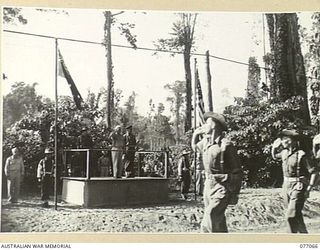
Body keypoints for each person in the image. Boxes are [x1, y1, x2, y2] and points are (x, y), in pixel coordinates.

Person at [192, 111, 242, 233]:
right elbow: (195, 148)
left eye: (206, 123)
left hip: (222, 187)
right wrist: (195, 135)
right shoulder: (205, 143)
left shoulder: (226, 145)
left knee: (210, 216)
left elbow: (237, 171)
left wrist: (235, 192)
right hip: (208, 186)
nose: (203, 126)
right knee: (218, 220)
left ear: (214, 125)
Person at [272, 129, 318, 233]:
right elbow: (274, 156)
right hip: (286, 186)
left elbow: (314, 172)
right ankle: (304, 240)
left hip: (298, 186)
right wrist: (274, 148)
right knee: (296, 216)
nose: (281, 142)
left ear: (291, 140)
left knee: (290, 216)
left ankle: (292, 241)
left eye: (284, 140)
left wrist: (309, 188)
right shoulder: (284, 153)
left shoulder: (302, 155)